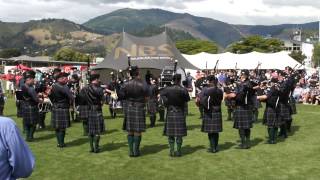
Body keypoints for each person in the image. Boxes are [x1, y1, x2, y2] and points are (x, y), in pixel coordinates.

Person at [118, 66, 149, 157]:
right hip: (139, 107)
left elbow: (121, 96)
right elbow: (147, 97)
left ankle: (131, 151)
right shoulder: (143, 84)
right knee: (137, 131)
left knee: (130, 131)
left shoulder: (126, 84)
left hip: (129, 107)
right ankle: (136, 151)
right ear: (138, 72)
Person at [160, 74, 190, 157]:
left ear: (173, 80)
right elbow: (187, 100)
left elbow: (162, 96)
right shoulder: (183, 90)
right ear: (180, 80)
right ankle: (179, 151)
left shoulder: (167, 89)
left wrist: (166, 103)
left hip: (170, 112)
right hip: (180, 112)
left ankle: (172, 151)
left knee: (171, 133)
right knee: (179, 134)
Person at [225, 70, 255, 149]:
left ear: (245, 76)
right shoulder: (248, 83)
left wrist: (229, 95)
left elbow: (237, 95)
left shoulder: (244, 84)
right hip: (247, 106)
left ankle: (244, 143)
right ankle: (247, 142)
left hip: (241, 106)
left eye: (242, 75)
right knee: (246, 126)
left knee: (241, 126)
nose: (241, 76)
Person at [80, 74, 105, 153]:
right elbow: (103, 100)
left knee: (91, 131)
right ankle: (96, 148)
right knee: (97, 131)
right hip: (97, 110)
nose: (99, 80)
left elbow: (81, 98)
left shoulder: (85, 88)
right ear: (96, 79)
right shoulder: (99, 89)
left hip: (89, 110)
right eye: (98, 79)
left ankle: (91, 148)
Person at [49, 72, 74, 148]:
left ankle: (59, 143)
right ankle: (62, 143)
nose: (66, 79)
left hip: (55, 107)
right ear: (60, 79)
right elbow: (71, 97)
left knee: (57, 127)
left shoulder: (53, 86)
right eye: (65, 78)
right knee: (62, 128)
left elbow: (49, 96)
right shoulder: (64, 87)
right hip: (63, 108)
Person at [199, 75, 223, 153]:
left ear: (210, 81)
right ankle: (215, 147)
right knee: (216, 131)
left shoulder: (206, 90)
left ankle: (212, 148)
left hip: (209, 111)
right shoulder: (220, 91)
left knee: (210, 132)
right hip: (217, 111)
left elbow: (201, 100)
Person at [257, 78, 282, 144]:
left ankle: (271, 140)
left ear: (272, 82)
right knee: (275, 124)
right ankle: (274, 138)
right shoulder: (278, 88)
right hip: (277, 107)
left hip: (271, 108)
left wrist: (257, 97)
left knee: (270, 125)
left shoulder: (272, 88)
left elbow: (266, 97)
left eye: (270, 82)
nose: (269, 83)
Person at [21, 70, 43, 142]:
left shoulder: (23, 86)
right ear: (29, 79)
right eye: (33, 79)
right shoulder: (31, 88)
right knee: (33, 123)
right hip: (31, 106)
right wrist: (41, 100)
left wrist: (36, 94)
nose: (34, 80)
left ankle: (27, 137)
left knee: (26, 122)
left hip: (25, 106)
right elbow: (36, 99)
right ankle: (30, 137)